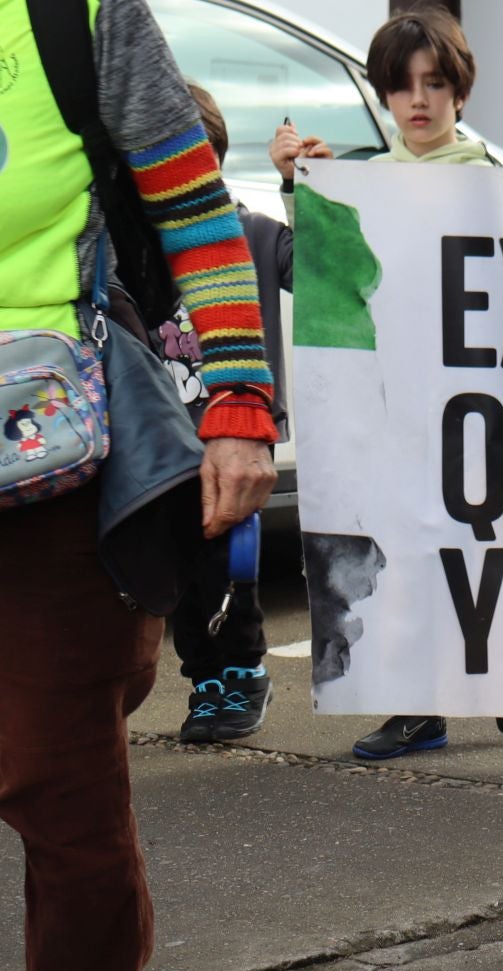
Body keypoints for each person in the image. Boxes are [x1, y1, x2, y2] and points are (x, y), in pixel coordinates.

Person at [0, 0, 279, 971]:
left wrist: (239, 403)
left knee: (55, 773)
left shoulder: (75, 15)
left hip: (48, 455)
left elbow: (194, 210)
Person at [271, 8, 503, 761]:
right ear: (384, 95)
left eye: (434, 84)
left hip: (473, 407)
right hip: (393, 403)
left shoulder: (490, 181)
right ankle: (420, 708)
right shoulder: (369, 184)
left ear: (460, 92)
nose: (417, 101)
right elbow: (325, 280)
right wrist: (304, 191)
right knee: (405, 546)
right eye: (401, 87)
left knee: (477, 545)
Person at [157, 84, 287, 743]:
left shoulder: (257, 233)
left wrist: (302, 185)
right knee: (180, 574)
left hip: (233, 438)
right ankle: (204, 682)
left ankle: (246, 672)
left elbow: (326, 267)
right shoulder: (145, 250)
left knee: (229, 567)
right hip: (168, 439)